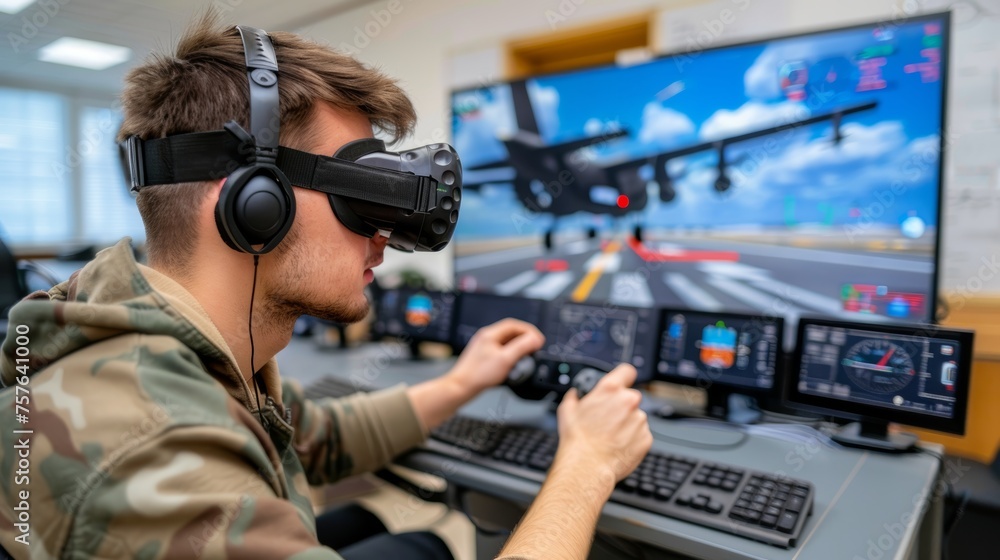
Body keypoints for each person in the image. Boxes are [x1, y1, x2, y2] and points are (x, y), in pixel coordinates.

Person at [0, 12, 651, 560]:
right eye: (363, 197)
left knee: (382, 531)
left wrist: (465, 378)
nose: (384, 236)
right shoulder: (157, 456)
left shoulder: (160, 341)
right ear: (255, 206)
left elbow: (320, 437)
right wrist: (587, 465)